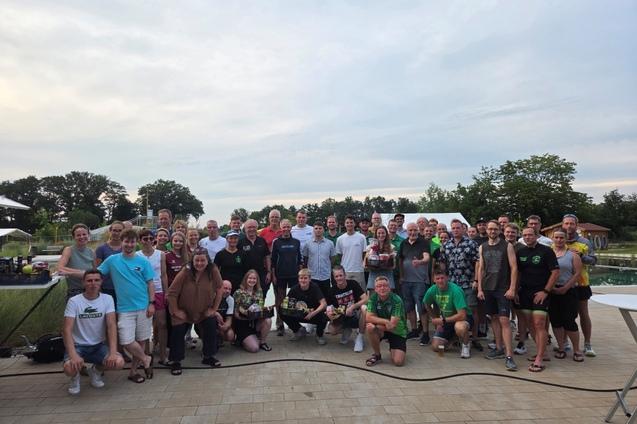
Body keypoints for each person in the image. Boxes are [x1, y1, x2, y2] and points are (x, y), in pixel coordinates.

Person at [97, 229, 154, 384]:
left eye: (132, 242)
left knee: (141, 340)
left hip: (143, 306)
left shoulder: (143, 262)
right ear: (121, 242)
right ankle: (146, 359)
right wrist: (69, 272)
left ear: (136, 243)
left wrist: (152, 303)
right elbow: (96, 274)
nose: (129, 244)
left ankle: (133, 372)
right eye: (126, 241)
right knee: (126, 341)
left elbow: (150, 283)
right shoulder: (112, 260)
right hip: (124, 308)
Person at [62, 269, 124, 395]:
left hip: (98, 345)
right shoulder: (74, 301)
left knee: (118, 362)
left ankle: (96, 371)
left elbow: (111, 326)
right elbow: (66, 329)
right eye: (89, 281)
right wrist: (73, 355)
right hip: (78, 345)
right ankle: (75, 377)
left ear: (101, 282)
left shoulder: (107, 299)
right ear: (83, 283)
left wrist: (113, 352)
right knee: (69, 367)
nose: (93, 283)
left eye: (96, 280)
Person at [166, 247, 224, 374]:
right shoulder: (185, 272)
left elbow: (220, 288)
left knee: (211, 324)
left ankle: (208, 356)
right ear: (192, 261)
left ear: (208, 261)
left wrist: (214, 309)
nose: (199, 263)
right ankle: (175, 361)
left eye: (203, 260)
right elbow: (171, 293)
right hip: (183, 310)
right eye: (196, 260)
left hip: (203, 310)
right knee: (178, 331)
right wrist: (176, 311)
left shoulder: (213, 270)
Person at [476, 221, 518, 371]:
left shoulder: (507, 246)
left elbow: (514, 267)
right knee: (493, 318)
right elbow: (481, 268)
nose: (492, 231)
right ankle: (499, 348)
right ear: (486, 230)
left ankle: (509, 356)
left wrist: (512, 288)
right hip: (488, 288)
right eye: (490, 229)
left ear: (499, 230)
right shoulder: (482, 247)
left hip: (502, 288)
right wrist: (480, 288)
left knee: (504, 320)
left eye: (495, 229)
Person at [517, 226, 560, 372]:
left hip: (541, 292)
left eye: (530, 235)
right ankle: (543, 352)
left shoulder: (546, 251)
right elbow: (518, 273)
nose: (527, 237)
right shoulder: (520, 252)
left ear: (536, 236)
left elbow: (555, 272)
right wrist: (515, 290)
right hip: (525, 293)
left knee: (539, 323)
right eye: (525, 235)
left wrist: (545, 291)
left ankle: (539, 359)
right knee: (530, 324)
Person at [442, 219, 481, 351]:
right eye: (453, 228)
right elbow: (443, 264)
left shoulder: (471, 243)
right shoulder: (446, 245)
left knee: (472, 311)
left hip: (468, 283)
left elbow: (478, 263)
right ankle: (457, 337)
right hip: (452, 284)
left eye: (458, 228)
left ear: (463, 229)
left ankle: (474, 338)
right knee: (455, 311)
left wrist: (476, 280)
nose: (455, 230)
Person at [562, 213, 597, 357]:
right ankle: (564, 342)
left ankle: (587, 344)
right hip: (563, 283)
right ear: (562, 225)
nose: (569, 226)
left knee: (583, 313)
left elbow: (593, 260)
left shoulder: (584, 242)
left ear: (576, 225)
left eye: (572, 223)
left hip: (581, 283)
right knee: (565, 313)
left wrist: (581, 256)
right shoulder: (558, 240)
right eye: (566, 223)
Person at [423, 266, 473, 358]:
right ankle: (453, 338)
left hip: (463, 318)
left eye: (442, 278)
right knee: (436, 346)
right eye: (437, 278)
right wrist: (435, 319)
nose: (440, 281)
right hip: (446, 320)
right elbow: (426, 303)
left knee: (460, 327)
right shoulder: (432, 290)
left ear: (447, 278)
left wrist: (442, 320)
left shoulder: (456, 290)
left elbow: (462, 315)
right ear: (434, 279)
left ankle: (466, 345)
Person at [136, 229, 169, 365]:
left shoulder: (160, 254)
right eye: (145, 239)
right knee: (144, 326)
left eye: (151, 238)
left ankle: (162, 355)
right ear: (140, 241)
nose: (148, 241)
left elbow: (163, 275)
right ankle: (145, 356)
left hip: (158, 290)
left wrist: (166, 292)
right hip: (142, 293)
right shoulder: (136, 255)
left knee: (162, 323)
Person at [551, 230, 584, 362]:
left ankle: (576, 349)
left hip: (568, 291)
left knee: (569, 321)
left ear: (565, 239)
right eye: (556, 237)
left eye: (561, 238)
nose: (559, 240)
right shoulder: (548, 254)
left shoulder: (573, 255)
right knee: (556, 321)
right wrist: (550, 288)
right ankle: (561, 347)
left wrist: (565, 288)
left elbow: (577, 274)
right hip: (552, 291)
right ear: (552, 238)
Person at [398, 223, 431, 345]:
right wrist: (401, 276)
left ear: (418, 230)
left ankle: (426, 333)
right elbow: (400, 260)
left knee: (422, 308)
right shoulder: (403, 243)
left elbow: (427, 258)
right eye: (410, 230)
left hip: (420, 281)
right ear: (407, 231)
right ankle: (414, 330)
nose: (412, 232)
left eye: (414, 230)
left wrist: (420, 262)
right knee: (409, 307)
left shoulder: (423, 242)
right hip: (406, 280)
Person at [365, 276, 407, 367]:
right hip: (383, 328)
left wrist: (378, 323)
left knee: (398, 362)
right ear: (375, 289)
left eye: (385, 285)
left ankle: (393, 348)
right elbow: (368, 318)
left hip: (397, 331)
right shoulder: (373, 298)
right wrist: (385, 321)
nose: (382, 288)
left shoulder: (397, 300)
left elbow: (392, 325)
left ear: (389, 288)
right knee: (370, 327)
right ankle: (377, 355)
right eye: (379, 286)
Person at [271, 219, 303, 335]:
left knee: (293, 300)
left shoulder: (296, 242)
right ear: (281, 228)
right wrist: (273, 275)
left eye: (288, 227)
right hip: (280, 275)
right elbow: (273, 261)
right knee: (280, 300)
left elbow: (299, 259)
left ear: (291, 228)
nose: (286, 229)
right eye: (284, 227)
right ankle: (280, 325)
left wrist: (300, 275)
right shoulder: (276, 242)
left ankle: (294, 325)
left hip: (294, 275)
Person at [326, 265, 367, 352]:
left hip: (355, 314)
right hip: (342, 316)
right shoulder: (331, 290)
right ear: (334, 278)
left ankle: (360, 338)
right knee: (331, 330)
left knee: (364, 308)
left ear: (345, 275)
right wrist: (329, 313)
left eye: (341, 275)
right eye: (336, 276)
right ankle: (346, 330)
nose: (339, 278)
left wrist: (353, 306)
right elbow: (328, 307)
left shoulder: (353, 283)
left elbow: (366, 299)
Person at [282, 269, 328, 344]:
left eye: (305, 278)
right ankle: (298, 330)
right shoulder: (294, 289)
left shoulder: (315, 287)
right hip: (300, 313)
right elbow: (286, 304)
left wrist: (313, 313)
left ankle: (319, 335)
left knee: (324, 313)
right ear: (298, 279)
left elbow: (324, 304)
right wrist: (295, 308)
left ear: (310, 279)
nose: (303, 280)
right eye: (301, 278)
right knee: (282, 311)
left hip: (314, 314)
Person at [232, 270, 273, 352]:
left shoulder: (259, 291)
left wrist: (266, 309)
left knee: (268, 320)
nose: (252, 280)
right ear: (245, 279)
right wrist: (245, 313)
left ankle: (262, 342)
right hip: (243, 323)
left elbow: (260, 307)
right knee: (254, 348)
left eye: (254, 278)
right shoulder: (238, 292)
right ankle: (241, 339)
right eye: (250, 278)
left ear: (257, 280)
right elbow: (235, 313)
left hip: (255, 322)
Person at [58, 223, 97, 300]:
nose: (82, 237)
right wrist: (83, 273)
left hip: (91, 290)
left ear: (88, 235)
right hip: (75, 291)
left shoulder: (92, 252)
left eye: (84, 234)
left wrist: (72, 273)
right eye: (78, 235)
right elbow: (60, 268)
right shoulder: (69, 250)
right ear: (74, 237)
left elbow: (95, 273)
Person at [302, 221, 336, 301]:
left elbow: (332, 258)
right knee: (313, 299)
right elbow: (305, 258)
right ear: (313, 230)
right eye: (316, 228)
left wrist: (327, 268)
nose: (318, 230)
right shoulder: (308, 244)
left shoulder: (330, 243)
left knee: (326, 298)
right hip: (313, 276)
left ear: (323, 230)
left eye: (320, 228)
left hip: (325, 276)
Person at [238, 219, 271, 296]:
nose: (252, 229)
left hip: (261, 274)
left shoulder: (262, 241)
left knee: (262, 296)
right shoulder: (240, 242)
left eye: (254, 227)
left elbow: (267, 256)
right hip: (245, 275)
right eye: (249, 227)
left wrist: (269, 272)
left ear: (257, 228)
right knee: (245, 296)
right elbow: (237, 258)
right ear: (245, 229)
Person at [95, 221, 124, 303]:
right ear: (110, 231)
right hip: (106, 287)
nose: (117, 233)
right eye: (114, 230)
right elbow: (97, 269)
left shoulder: (127, 248)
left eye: (120, 231)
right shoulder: (101, 249)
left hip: (123, 287)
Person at [335, 215, 367, 289]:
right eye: (347, 222)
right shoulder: (340, 239)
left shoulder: (362, 237)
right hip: (345, 271)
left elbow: (364, 254)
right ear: (344, 224)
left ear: (355, 224)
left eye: (351, 222)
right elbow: (339, 255)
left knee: (359, 292)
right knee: (347, 292)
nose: (349, 224)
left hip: (358, 270)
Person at [365, 225, 395, 291]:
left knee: (388, 295)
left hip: (387, 275)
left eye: (383, 233)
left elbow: (393, 266)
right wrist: (369, 258)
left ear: (386, 234)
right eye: (379, 233)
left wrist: (390, 258)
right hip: (374, 275)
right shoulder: (370, 247)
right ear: (376, 234)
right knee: (373, 296)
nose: (381, 235)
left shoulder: (391, 247)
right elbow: (365, 264)